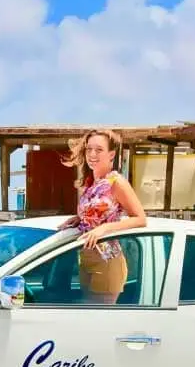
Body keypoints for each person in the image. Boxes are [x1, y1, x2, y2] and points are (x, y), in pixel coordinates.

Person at [58, 129, 147, 304]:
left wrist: (104, 229)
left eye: (99, 150)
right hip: (86, 258)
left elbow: (140, 219)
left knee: (96, 322)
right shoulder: (91, 183)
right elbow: (101, 212)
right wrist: (79, 218)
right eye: (89, 149)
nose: (92, 154)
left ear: (111, 154)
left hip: (107, 259)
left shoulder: (117, 182)